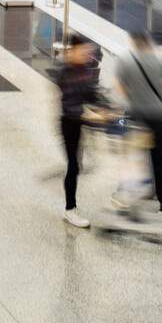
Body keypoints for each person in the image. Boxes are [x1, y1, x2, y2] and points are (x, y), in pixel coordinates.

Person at [113, 30, 162, 216]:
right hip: (159, 120)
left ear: (134, 44)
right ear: (149, 44)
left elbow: (118, 88)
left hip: (137, 119)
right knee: (159, 163)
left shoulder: (125, 62)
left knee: (133, 159)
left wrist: (133, 99)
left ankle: (125, 196)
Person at [54, 35, 104, 230]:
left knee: (77, 165)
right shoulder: (65, 73)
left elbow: (92, 93)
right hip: (69, 124)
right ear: (74, 50)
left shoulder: (84, 70)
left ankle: (70, 205)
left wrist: (103, 108)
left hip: (80, 122)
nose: (87, 55)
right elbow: (69, 104)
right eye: (83, 51)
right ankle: (70, 209)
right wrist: (89, 115)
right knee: (73, 166)